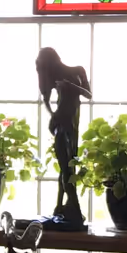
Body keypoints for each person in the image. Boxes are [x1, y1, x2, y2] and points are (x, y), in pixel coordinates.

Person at [36, 45, 91, 229]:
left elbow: (88, 94)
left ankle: (66, 206)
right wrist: (53, 116)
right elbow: (45, 98)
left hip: (73, 123)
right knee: (65, 166)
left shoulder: (77, 70)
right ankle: (66, 206)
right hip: (61, 124)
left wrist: (71, 86)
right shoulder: (52, 77)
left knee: (68, 166)